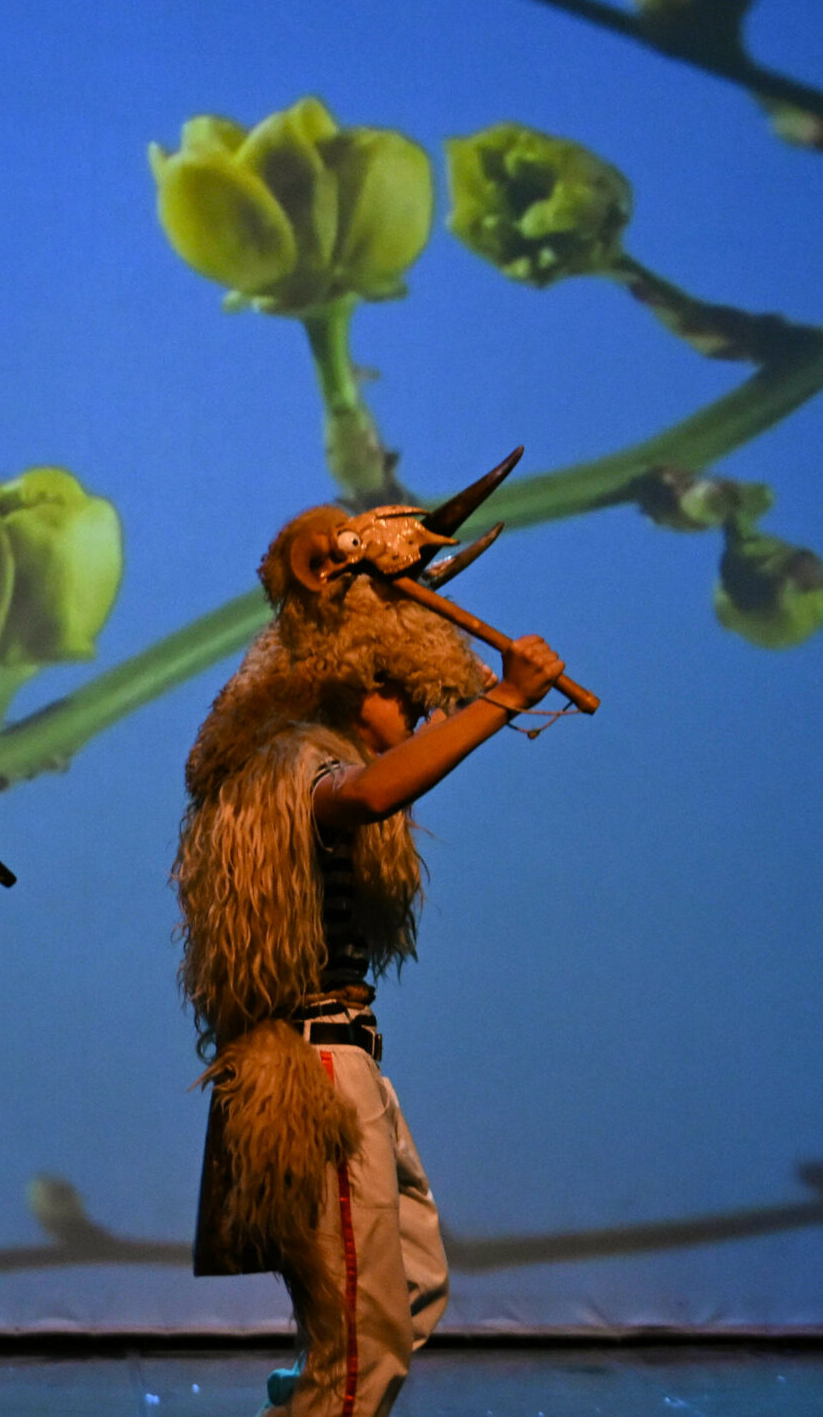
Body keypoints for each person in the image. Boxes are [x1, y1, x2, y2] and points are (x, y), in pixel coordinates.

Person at [174, 466, 566, 1417]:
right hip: (313, 1068)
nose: (420, 717)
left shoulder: (307, 755)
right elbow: (366, 797)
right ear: (359, 678)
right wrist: (501, 701)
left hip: (350, 1057)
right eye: (409, 697)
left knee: (409, 1290)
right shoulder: (293, 759)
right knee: (361, 1349)